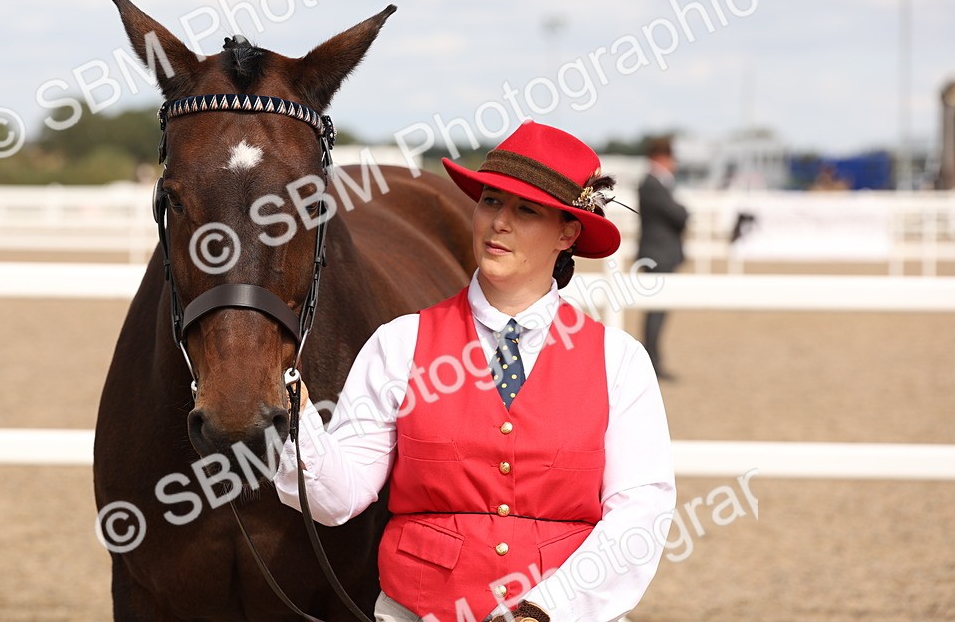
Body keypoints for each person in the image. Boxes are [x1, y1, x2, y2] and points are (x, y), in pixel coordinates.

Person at [275, 121, 675, 622]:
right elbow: (338, 497)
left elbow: (640, 512)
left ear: (568, 232)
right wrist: (297, 417)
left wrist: (542, 610)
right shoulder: (399, 344)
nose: (498, 223)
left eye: (525, 210)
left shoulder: (620, 362)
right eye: (490, 201)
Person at [636, 137, 688, 381]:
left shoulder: (656, 184)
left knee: (658, 311)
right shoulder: (653, 184)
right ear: (661, 157)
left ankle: (654, 361)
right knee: (656, 312)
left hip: (659, 253)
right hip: (658, 254)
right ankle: (652, 363)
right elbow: (678, 214)